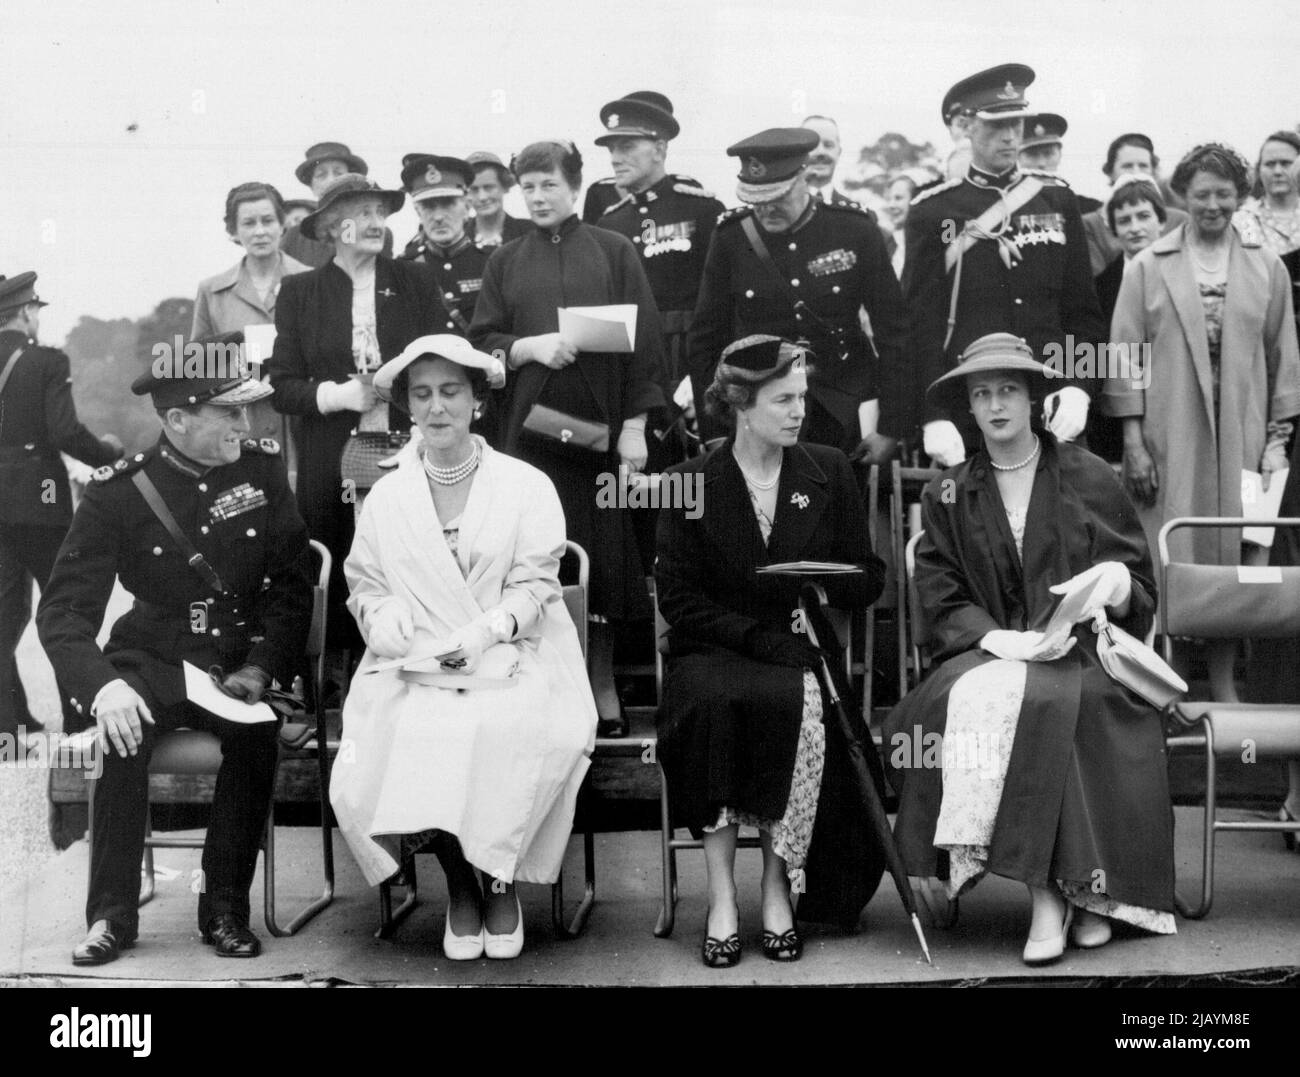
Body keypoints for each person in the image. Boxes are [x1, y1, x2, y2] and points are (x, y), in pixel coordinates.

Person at [884, 333, 1176, 966]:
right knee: (960, 706)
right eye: (982, 393)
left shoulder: (1089, 475)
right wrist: (996, 636)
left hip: (1083, 651)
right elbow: (938, 591)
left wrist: (1117, 584)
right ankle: (1063, 894)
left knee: (1065, 702)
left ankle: (1072, 895)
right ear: (969, 405)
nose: (995, 406)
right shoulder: (949, 492)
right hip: (987, 650)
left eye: (1009, 390)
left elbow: (1140, 586)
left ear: (1035, 398)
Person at [36, 350, 312, 965]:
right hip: (152, 657)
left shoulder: (263, 474)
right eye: (229, 414)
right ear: (178, 420)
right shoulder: (118, 492)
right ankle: (110, 915)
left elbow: (293, 587)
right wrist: (104, 688)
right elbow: (61, 613)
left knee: (256, 734)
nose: (247, 427)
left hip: (237, 663)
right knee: (120, 731)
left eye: (248, 411)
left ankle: (224, 910)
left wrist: (261, 669)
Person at [330, 335, 595, 961]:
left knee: (507, 727)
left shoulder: (524, 483)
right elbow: (364, 581)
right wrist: (383, 614)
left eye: (451, 392)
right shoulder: (387, 493)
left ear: (477, 401)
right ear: (407, 408)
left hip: (513, 649)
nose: (437, 407)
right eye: (422, 395)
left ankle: (498, 878)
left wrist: (488, 630)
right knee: (412, 732)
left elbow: (537, 584)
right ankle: (458, 883)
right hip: (415, 659)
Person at [655, 336, 887, 967]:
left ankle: (777, 886)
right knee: (715, 703)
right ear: (739, 404)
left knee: (798, 698)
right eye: (783, 400)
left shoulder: (829, 469)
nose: (798, 413)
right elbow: (678, 601)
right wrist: (755, 638)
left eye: (803, 398)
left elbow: (869, 578)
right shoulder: (686, 484)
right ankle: (722, 896)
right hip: (714, 650)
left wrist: (825, 580)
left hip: (800, 647)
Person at [470, 139, 667, 735]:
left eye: (548, 185)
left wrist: (635, 429)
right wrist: (529, 347)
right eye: (527, 187)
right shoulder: (505, 260)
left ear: (574, 187)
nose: (537, 197)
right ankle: (538, 688)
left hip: (600, 445)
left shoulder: (614, 250)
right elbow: (479, 344)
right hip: (525, 447)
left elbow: (648, 346)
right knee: (533, 564)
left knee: (601, 566)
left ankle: (600, 683)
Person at [268, 174, 455, 652]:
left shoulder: (414, 280)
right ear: (332, 227)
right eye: (362, 214)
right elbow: (281, 387)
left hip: (411, 451)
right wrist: (339, 395)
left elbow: (443, 360)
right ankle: (335, 683)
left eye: (380, 213)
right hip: (330, 457)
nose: (376, 223)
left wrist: (417, 418)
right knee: (336, 558)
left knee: (411, 560)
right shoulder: (299, 292)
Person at [1105, 142, 1300, 566]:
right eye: (1201, 195)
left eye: (1223, 194)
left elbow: (1283, 359)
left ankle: (1233, 632)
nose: (1213, 205)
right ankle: (1175, 630)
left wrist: (1276, 444)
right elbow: (1124, 360)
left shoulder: (1267, 266)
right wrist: (1134, 446)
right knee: (1172, 542)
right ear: (1182, 196)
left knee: (1247, 547)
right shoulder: (1148, 267)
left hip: (1246, 434)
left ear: (1241, 196)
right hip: (1168, 434)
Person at [903, 63, 1105, 468]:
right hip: (970, 409)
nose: (1011, 136)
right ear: (965, 126)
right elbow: (920, 327)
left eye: (1017, 123)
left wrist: (1080, 387)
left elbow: (1082, 312)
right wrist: (933, 415)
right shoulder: (936, 213)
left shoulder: (1056, 200)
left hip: (1050, 403)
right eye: (997, 125)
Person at [687, 127, 909, 459]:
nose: (766, 211)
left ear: (804, 177)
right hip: (760, 413)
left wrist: (892, 429)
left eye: (777, 199)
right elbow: (706, 340)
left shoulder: (855, 229)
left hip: (843, 411)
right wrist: (717, 432)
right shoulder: (730, 238)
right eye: (756, 201)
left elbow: (895, 332)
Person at [0, 272, 123, 739]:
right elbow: (65, 432)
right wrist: (111, 453)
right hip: (39, 501)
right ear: (28, 312)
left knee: (5, 614)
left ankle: (8, 724)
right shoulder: (47, 360)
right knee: (65, 606)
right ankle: (77, 718)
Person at [592, 91, 724, 390]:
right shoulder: (609, 222)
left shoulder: (702, 210)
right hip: (636, 369)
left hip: (694, 366)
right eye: (612, 149)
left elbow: (723, 304)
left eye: (627, 147)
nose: (615, 158)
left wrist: (706, 375)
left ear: (659, 149)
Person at [192, 182, 309, 446]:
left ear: (283, 225)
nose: (260, 232)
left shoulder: (311, 281)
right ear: (233, 231)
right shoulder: (212, 291)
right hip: (242, 426)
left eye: (268, 221)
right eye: (248, 223)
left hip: (302, 425)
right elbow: (198, 366)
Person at [397, 155, 489, 331]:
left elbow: (502, 338)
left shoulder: (493, 262)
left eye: (448, 204)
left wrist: (496, 359)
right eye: (428, 206)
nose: (438, 217)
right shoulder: (403, 268)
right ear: (418, 212)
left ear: (467, 206)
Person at [1082, 133, 1189, 275]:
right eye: (1127, 166)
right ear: (1110, 172)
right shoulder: (1090, 225)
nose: (1136, 173)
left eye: (1143, 166)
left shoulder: (1180, 220)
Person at [281, 142, 394, 267]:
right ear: (312, 186)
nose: (331, 180)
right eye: (321, 175)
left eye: (338, 173)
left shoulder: (377, 233)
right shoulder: (294, 237)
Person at [1235, 130, 1300, 256]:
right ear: (1259, 170)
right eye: (1270, 164)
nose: (1277, 171)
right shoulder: (1246, 220)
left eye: (1286, 163)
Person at [465, 152, 530, 249]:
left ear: (505, 186)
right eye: (474, 190)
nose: (482, 197)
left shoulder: (529, 232)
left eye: (488, 187)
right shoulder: (457, 235)